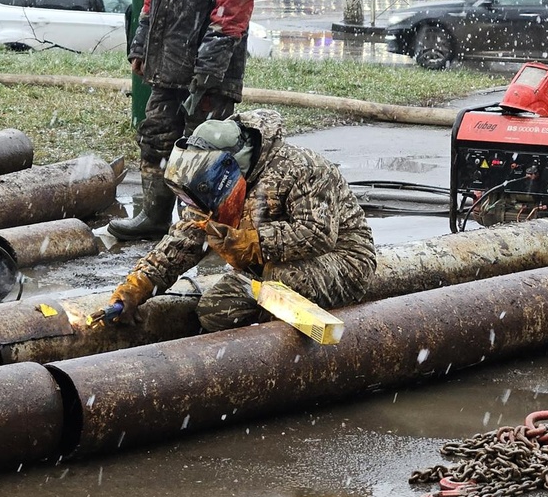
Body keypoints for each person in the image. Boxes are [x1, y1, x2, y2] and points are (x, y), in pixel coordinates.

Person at [108, 109, 378, 332]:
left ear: (231, 167)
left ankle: (288, 347)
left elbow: (317, 233)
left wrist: (252, 243)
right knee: (214, 311)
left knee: (282, 279)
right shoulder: (212, 187)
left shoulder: (304, 168)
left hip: (343, 260)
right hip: (266, 270)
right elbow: (185, 240)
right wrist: (140, 285)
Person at [108, 0, 261, 242]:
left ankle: (202, 228)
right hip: (168, 65)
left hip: (207, 72)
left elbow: (230, 14)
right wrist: (141, 46)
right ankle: (155, 216)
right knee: (156, 136)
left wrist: (206, 73)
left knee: (202, 149)